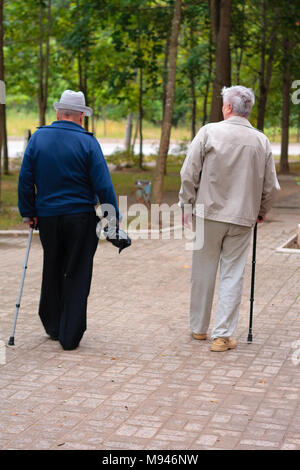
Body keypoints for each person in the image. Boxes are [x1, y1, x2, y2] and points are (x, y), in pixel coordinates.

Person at [18, 90, 130, 350]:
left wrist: (28, 211)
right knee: (78, 272)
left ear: (58, 113)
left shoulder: (38, 138)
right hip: (80, 218)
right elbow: (103, 185)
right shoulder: (88, 143)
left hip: (47, 217)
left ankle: (52, 325)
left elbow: (26, 179)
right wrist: (113, 219)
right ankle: (70, 336)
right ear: (81, 116)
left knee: (52, 266)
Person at [179, 85, 280, 352]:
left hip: (207, 214)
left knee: (202, 272)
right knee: (232, 274)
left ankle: (199, 329)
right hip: (242, 218)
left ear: (227, 107)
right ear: (249, 109)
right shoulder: (261, 140)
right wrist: (261, 211)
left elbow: (189, 172)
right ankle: (222, 335)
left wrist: (185, 204)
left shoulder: (209, 132)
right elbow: (271, 186)